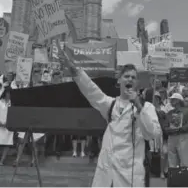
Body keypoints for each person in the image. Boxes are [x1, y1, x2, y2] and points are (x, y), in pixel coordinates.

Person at [64, 54, 161, 187]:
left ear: (137, 83)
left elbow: (152, 134)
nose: (130, 79)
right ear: (119, 81)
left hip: (130, 176)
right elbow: (91, 90)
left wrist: (138, 106)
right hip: (106, 173)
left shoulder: (146, 107)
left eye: (133, 77)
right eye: (126, 76)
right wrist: (74, 70)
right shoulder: (110, 105)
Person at [165, 93, 188, 168]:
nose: (170, 101)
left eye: (172, 99)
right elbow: (165, 126)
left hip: (183, 136)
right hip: (171, 137)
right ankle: (173, 178)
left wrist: (180, 128)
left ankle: (184, 178)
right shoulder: (169, 113)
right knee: (171, 161)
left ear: (178, 101)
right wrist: (169, 129)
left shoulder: (186, 111)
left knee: (184, 160)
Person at [0, 83, 13, 165]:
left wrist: (9, 123)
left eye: (11, 93)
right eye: (8, 93)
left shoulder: (12, 103)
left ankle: (2, 161)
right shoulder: (0, 102)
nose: (9, 95)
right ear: (5, 93)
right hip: (0, 125)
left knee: (7, 143)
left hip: (9, 125)